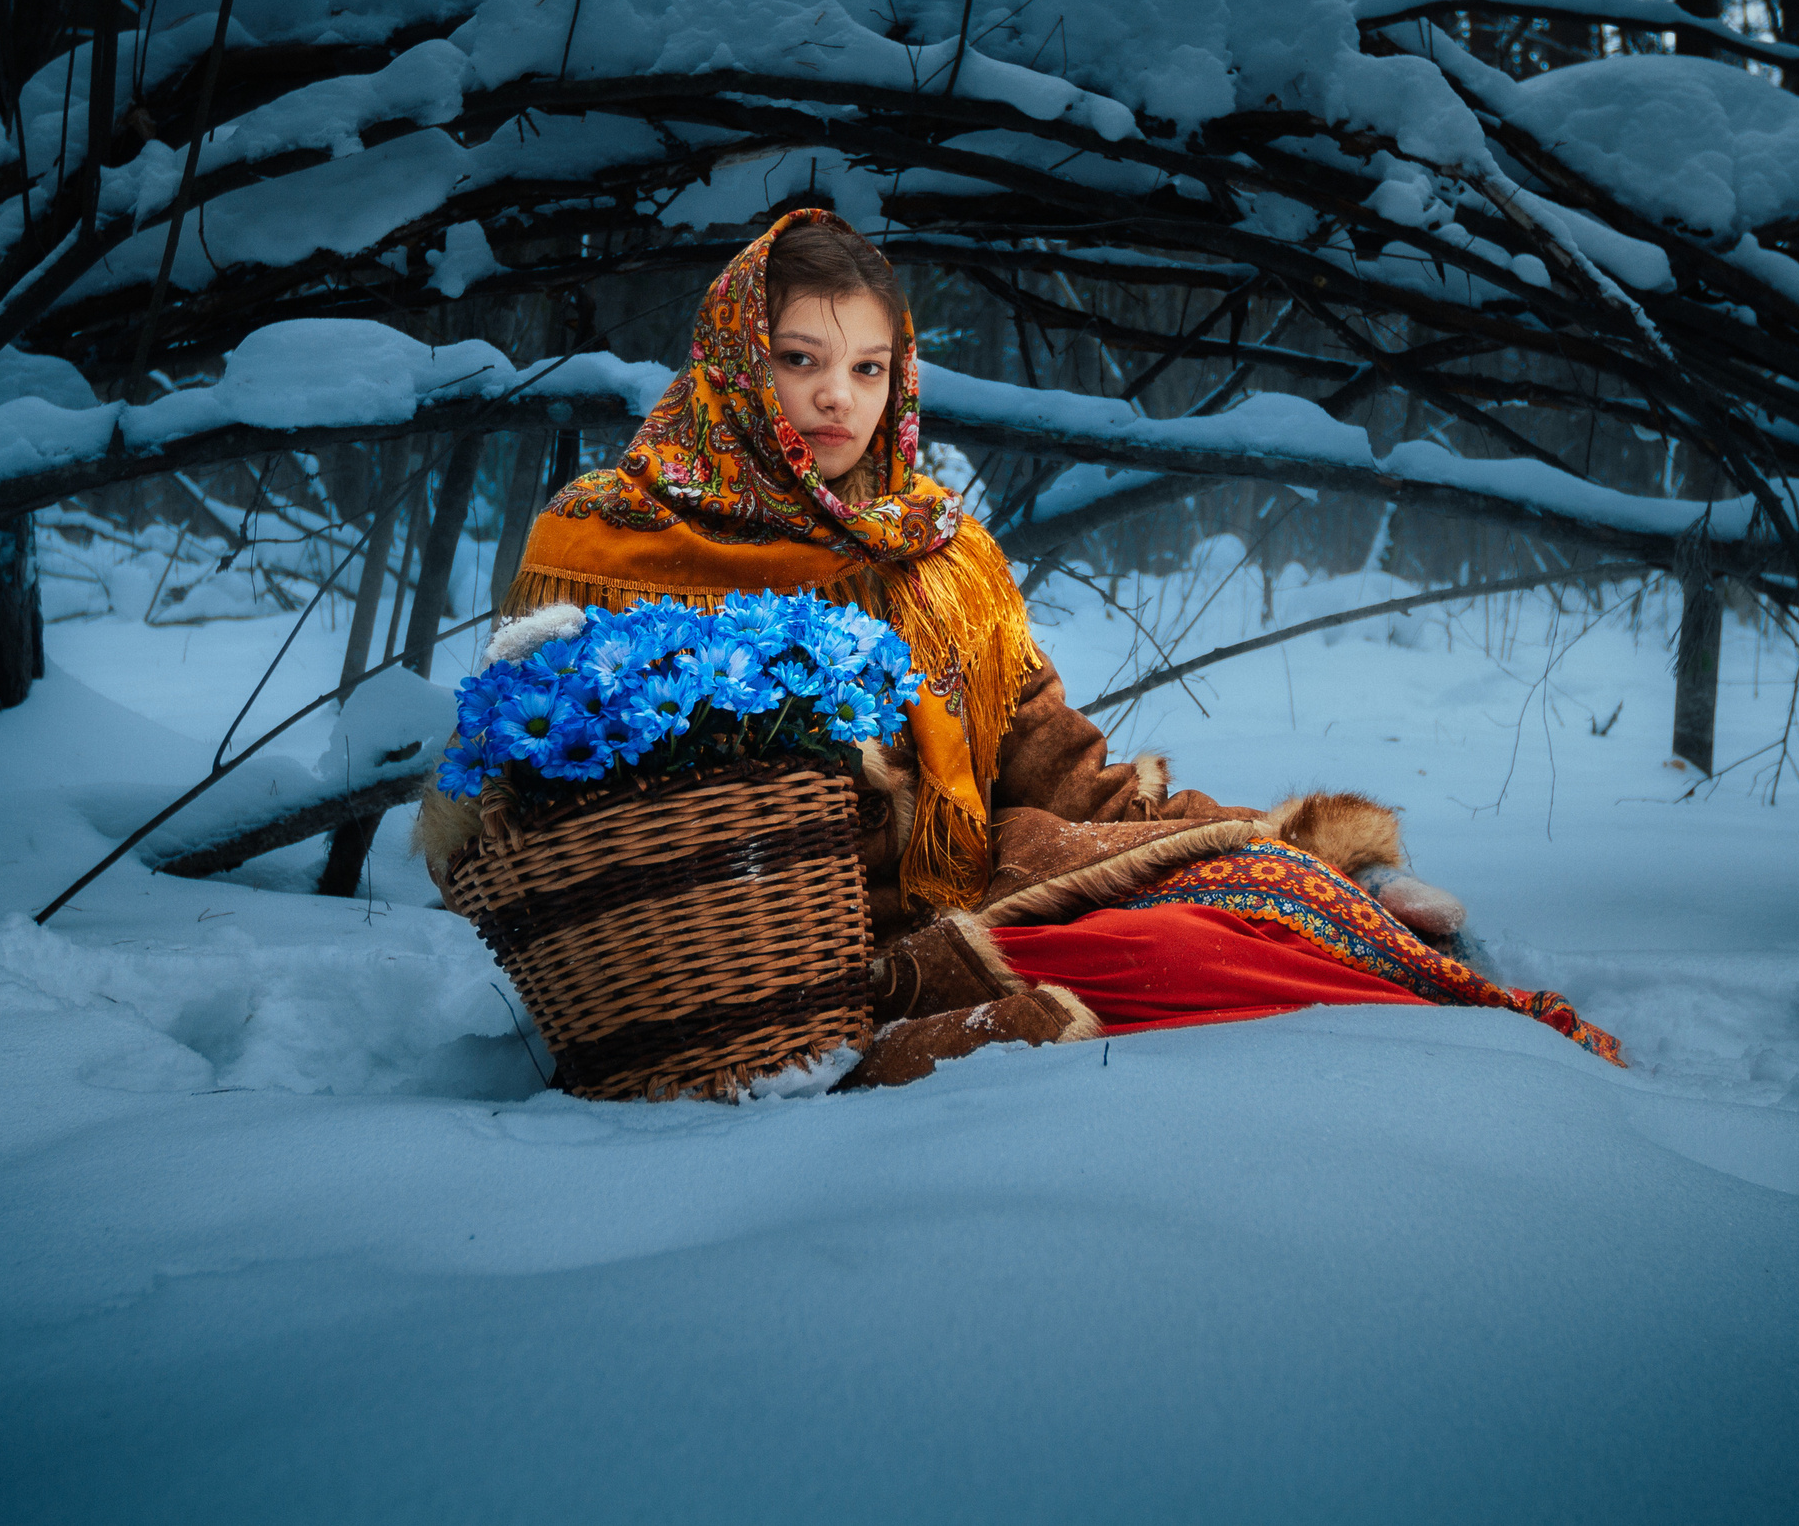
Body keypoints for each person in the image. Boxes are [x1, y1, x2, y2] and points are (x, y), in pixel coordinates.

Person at [419, 209, 1621, 1086]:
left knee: (1258, 893)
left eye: (869, 369)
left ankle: (1453, 998)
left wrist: (1278, 841)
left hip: (997, 880)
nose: (838, 401)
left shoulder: (942, 552)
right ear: (736, 357)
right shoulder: (610, 537)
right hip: (771, 950)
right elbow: (518, 796)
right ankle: (1471, 1035)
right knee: (1181, 954)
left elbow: (1056, 765)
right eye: (799, 360)